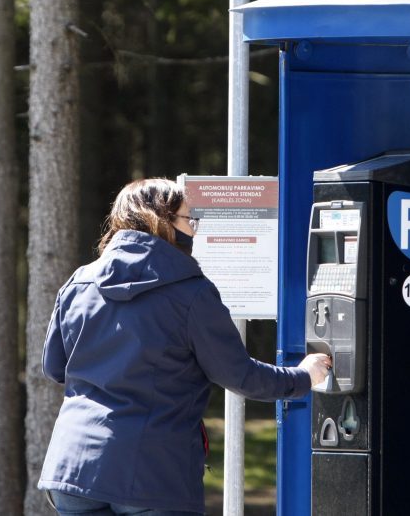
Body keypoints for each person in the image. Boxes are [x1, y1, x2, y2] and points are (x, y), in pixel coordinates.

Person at [37, 178, 330, 515]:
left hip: (73, 469)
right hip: (153, 474)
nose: (194, 231)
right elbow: (240, 376)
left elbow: (54, 367)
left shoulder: (79, 282)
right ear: (160, 220)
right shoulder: (191, 292)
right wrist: (303, 376)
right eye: (189, 221)